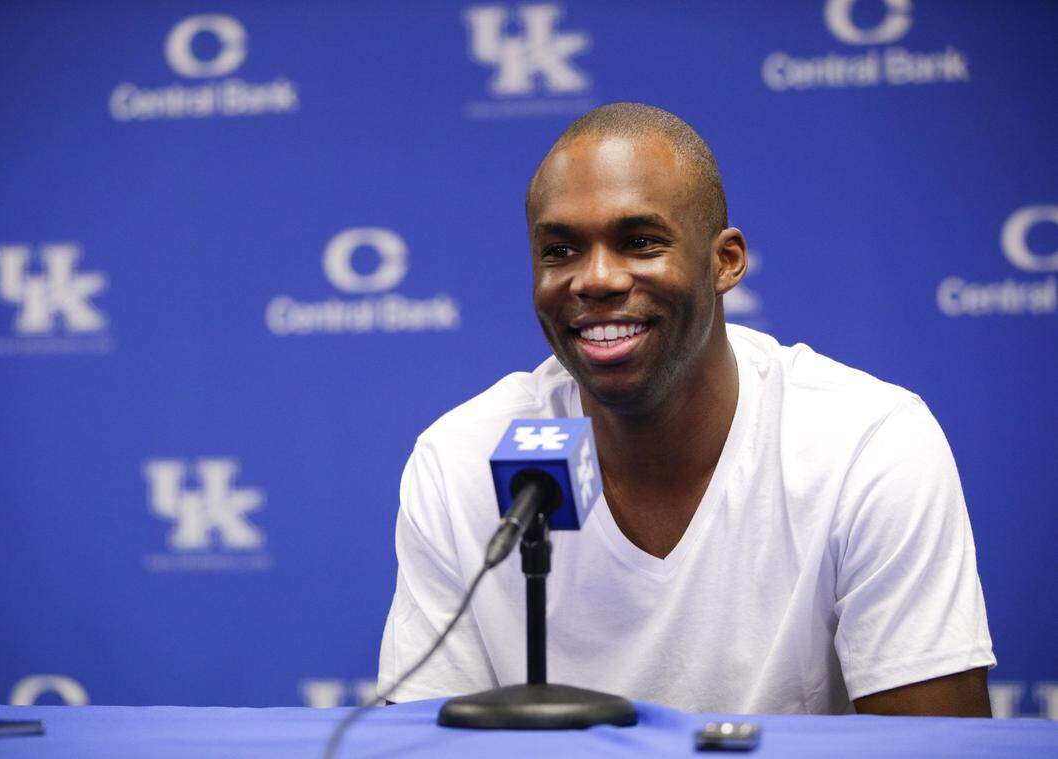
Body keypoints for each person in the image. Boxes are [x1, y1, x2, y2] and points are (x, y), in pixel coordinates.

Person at [377, 103, 994, 716]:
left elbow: (933, 742)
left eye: (640, 242)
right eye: (560, 251)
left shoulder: (866, 443)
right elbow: (424, 741)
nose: (595, 279)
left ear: (725, 261)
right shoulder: (463, 457)